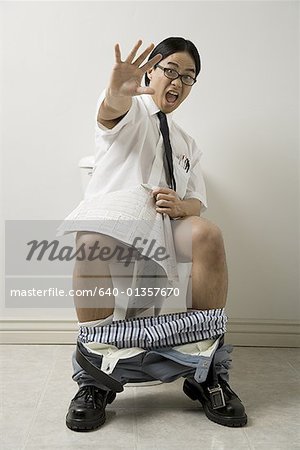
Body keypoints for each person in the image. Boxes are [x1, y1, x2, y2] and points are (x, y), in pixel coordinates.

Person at [58, 37, 247, 431]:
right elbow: (111, 110)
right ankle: (94, 379)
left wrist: (182, 206)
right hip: (116, 222)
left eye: (189, 77)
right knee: (90, 239)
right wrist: (116, 91)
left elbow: (197, 201)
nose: (178, 82)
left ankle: (207, 372)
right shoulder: (132, 110)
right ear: (151, 71)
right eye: (171, 71)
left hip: (166, 227)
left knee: (208, 235)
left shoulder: (187, 144)